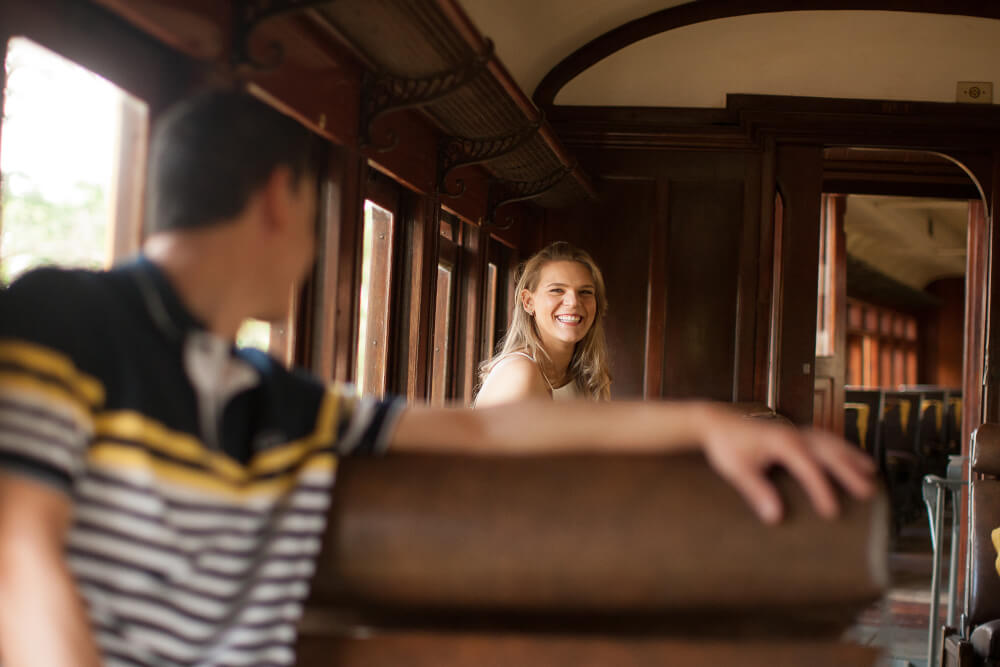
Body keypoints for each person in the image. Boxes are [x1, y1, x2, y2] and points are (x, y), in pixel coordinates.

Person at [0, 90, 875, 667]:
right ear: (277, 199)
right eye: (316, 218)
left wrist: (706, 427)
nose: (313, 254)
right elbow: (18, 554)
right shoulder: (61, 317)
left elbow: (484, 430)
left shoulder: (270, 395)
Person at [475, 242, 610, 406]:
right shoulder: (519, 373)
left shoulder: (593, 378)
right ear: (528, 302)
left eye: (585, 292)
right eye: (557, 290)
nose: (574, 302)